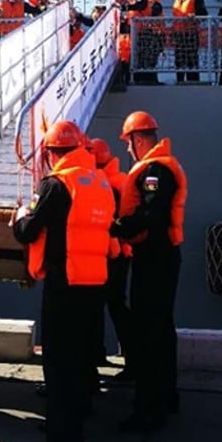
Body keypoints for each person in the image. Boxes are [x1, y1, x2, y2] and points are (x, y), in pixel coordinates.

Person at [13, 120, 114, 442]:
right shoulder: (101, 182)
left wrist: (20, 215)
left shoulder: (57, 185)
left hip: (64, 285)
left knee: (57, 370)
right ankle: (74, 434)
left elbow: (28, 231)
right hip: (94, 285)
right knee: (79, 366)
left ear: (54, 153)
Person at [112, 110, 187, 431]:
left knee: (148, 334)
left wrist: (118, 226)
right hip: (163, 256)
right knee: (161, 330)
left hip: (153, 258)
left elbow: (152, 213)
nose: (128, 151)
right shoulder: (162, 167)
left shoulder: (155, 171)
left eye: (129, 144)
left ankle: (148, 410)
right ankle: (166, 397)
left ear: (138, 139)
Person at [89, 137, 133, 380]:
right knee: (115, 304)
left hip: (109, 254)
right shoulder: (121, 179)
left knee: (101, 305)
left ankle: (126, 359)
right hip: (122, 253)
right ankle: (126, 356)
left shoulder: (104, 184)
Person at [171, 0, 207, 83]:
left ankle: (193, 81)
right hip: (179, 34)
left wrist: (195, 16)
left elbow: (204, 14)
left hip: (191, 33)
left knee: (192, 59)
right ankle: (180, 80)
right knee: (179, 59)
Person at [113, 0, 149, 89]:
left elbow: (138, 7)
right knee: (129, 58)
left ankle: (141, 80)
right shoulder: (131, 1)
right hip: (132, 35)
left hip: (143, 33)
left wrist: (123, 7)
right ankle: (130, 78)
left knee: (141, 59)